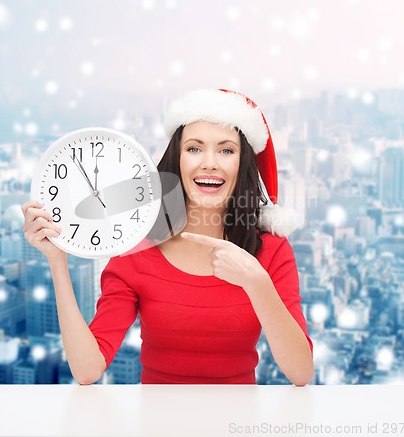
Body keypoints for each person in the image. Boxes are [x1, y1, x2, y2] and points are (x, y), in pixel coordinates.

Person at [22, 88, 314, 386]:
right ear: (177, 159)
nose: (209, 163)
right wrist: (57, 260)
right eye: (194, 148)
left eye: (226, 150)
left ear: (243, 163)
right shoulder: (137, 248)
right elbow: (87, 370)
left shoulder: (273, 250)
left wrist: (257, 282)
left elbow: (300, 372)